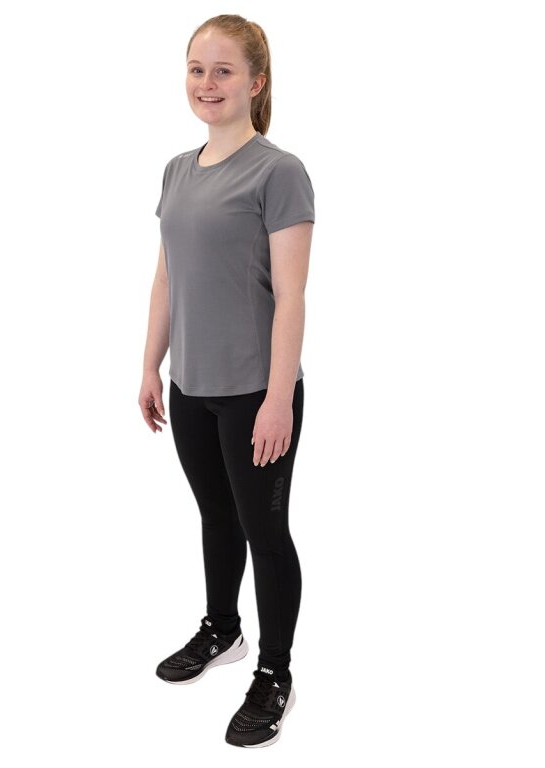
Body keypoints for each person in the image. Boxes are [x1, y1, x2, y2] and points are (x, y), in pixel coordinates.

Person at [138, 14, 315, 749]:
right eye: (196, 69)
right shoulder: (177, 170)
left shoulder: (279, 172)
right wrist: (150, 364)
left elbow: (292, 297)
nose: (206, 84)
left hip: (254, 393)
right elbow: (167, 277)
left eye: (223, 71)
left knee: (264, 533)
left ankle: (275, 673)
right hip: (191, 388)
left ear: (256, 83)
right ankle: (222, 630)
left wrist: (277, 399)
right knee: (216, 516)